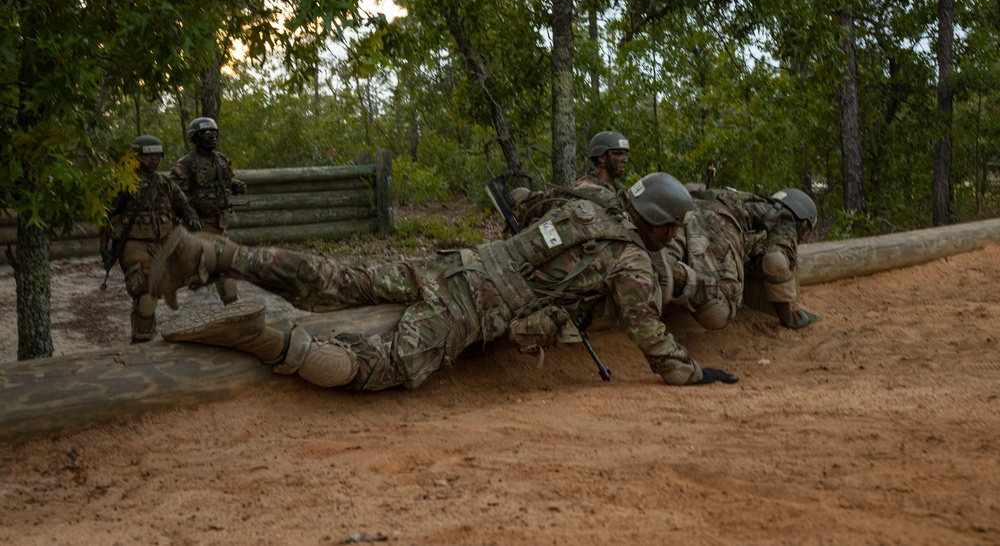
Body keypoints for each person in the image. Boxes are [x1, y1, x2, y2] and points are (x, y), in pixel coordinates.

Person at [149, 173, 739, 391]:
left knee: (335, 277)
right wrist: (689, 371)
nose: (669, 239)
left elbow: (531, 200)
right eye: (671, 230)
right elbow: (649, 335)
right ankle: (272, 343)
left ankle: (211, 252)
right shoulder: (631, 261)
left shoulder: (589, 200)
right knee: (392, 368)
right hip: (473, 303)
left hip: (454, 261)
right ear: (659, 226)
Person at [665, 186, 823, 331]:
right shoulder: (785, 219)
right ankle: (677, 274)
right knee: (718, 308)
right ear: (802, 224)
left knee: (666, 255)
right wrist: (789, 319)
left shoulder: (750, 202)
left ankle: (662, 265)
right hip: (717, 222)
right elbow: (776, 261)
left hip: (686, 207)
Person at [99, 135, 202, 343]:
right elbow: (104, 215)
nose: (153, 159)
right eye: (148, 156)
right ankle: (142, 340)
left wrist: (192, 220)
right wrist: (104, 246)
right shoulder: (122, 184)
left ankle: (146, 335)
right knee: (146, 291)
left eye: (156, 155)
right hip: (135, 244)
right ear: (136, 158)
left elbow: (182, 206)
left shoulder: (165, 183)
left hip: (164, 244)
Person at [169, 117, 248, 306]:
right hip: (199, 223)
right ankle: (232, 302)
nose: (212, 136)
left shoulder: (220, 160)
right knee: (223, 263)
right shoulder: (186, 163)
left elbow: (226, 182)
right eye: (206, 133)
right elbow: (173, 194)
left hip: (219, 221)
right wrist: (197, 204)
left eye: (214, 132)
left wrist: (235, 186)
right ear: (195, 137)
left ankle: (195, 280)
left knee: (220, 262)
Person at [573, 131, 630, 205]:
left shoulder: (620, 190)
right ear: (602, 158)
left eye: (626, 155)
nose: (624, 160)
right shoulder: (585, 189)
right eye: (618, 153)